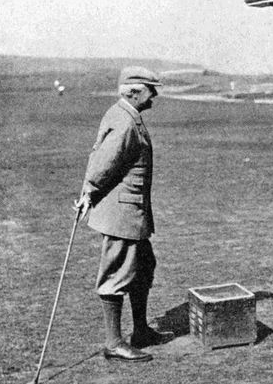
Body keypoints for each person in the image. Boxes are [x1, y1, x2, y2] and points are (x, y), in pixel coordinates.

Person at [75, 66, 173, 363]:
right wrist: (88, 192)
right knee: (117, 273)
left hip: (133, 213)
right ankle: (114, 342)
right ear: (133, 91)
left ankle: (140, 330)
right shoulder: (125, 121)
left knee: (143, 267)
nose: (154, 95)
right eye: (150, 90)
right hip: (122, 214)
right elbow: (103, 162)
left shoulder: (126, 114)